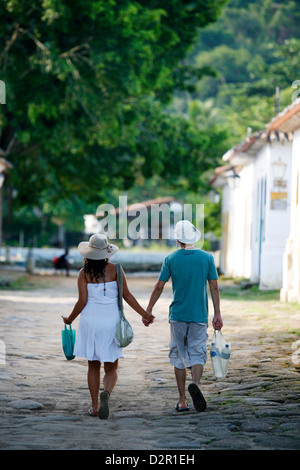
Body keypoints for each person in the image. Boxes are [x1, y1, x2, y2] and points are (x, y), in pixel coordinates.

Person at [62, 233, 154, 419]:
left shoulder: (83, 273)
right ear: (107, 252)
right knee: (111, 369)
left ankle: (95, 406)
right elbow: (127, 296)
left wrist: (70, 319)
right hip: (111, 322)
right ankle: (107, 393)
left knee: (93, 366)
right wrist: (145, 314)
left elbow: (82, 301)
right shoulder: (117, 270)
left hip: (90, 322)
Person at [144, 220, 223, 413]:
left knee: (179, 356)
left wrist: (149, 309)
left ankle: (182, 401)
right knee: (197, 353)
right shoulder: (207, 258)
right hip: (199, 315)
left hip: (178, 315)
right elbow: (214, 287)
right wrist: (217, 313)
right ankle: (195, 383)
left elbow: (159, 286)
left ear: (178, 238)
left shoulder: (170, 259)